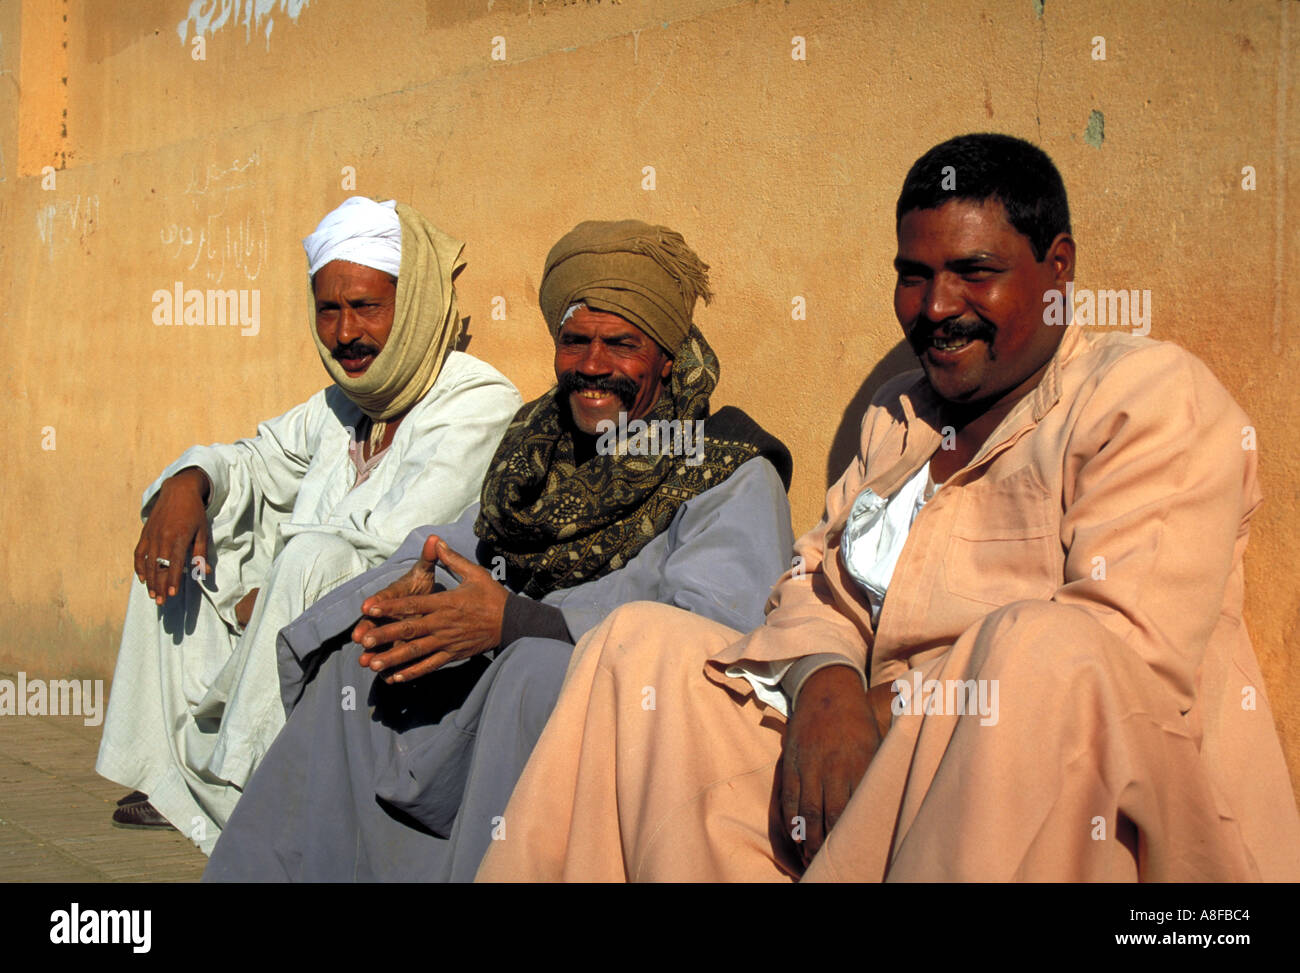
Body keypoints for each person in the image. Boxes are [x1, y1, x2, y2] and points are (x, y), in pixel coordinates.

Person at [476, 134, 1300, 882]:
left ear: (1058, 269)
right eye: (914, 275)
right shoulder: (898, 416)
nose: (937, 308)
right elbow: (811, 584)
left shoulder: (1142, 396)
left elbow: (1124, 657)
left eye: (974, 272)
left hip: (1049, 797)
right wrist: (826, 679)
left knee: (1037, 649)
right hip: (864, 771)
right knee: (636, 647)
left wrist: (883, 708)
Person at [203, 219, 796, 881]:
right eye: (575, 341)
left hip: (623, 723)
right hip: (498, 678)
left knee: (534, 672)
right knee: (357, 662)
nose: (593, 365)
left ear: (665, 354)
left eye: (620, 344)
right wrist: (402, 595)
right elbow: (456, 544)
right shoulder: (538, 448)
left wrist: (520, 623)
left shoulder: (726, 468)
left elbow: (714, 643)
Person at [96, 197, 522, 852]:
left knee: (314, 557)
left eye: (367, 307)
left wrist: (274, 586)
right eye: (330, 309)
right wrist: (188, 485)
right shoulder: (345, 404)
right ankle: (180, 780)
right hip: (289, 610)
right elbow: (257, 460)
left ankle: (253, 795)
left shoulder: (476, 398)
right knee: (174, 539)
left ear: (408, 307)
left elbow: (403, 544)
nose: (346, 331)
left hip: (392, 632)